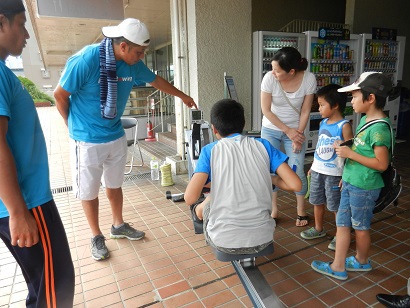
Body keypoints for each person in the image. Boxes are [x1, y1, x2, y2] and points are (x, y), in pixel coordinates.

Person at [53, 18, 197, 261]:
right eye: (139, 52)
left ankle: (118, 225)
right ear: (123, 47)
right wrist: (72, 126)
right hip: (86, 139)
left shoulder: (132, 64)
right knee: (89, 191)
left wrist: (183, 96)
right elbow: (59, 95)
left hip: (114, 134)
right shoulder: (87, 59)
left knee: (114, 184)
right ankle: (96, 235)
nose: (141, 57)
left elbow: (156, 80)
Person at [0, 0, 74, 306]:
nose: (26, 34)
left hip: (24, 201)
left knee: (44, 287)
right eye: (20, 23)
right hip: (26, 203)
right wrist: (18, 212)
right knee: (56, 287)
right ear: (1, 22)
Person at [184, 99, 302, 254]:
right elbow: (296, 185)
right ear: (243, 124)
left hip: (223, 241)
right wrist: (271, 178)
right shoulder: (264, 145)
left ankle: (201, 209)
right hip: (264, 239)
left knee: (205, 201)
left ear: (214, 129)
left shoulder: (209, 151)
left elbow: (189, 198)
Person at [311, 72, 393, 280]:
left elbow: (381, 164)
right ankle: (338, 266)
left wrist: (349, 153)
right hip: (350, 181)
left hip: (364, 187)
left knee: (361, 227)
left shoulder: (379, 130)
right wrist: (346, 159)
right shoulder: (366, 119)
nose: (351, 101)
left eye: (355, 96)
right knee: (342, 223)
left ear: (371, 98)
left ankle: (361, 261)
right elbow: (361, 150)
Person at [260, 46, 316, 226]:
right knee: (271, 170)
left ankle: (301, 210)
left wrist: (297, 134)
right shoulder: (269, 79)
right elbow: (266, 110)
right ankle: (274, 209)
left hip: (296, 131)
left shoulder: (308, 78)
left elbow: (306, 110)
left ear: (291, 71)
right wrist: (288, 130)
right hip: (271, 128)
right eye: (272, 68)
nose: (273, 73)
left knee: (297, 169)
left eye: (277, 70)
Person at [300, 84, 353, 250]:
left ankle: (341, 234)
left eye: (322, 105)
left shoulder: (344, 126)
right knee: (317, 201)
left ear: (335, 105)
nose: (319, 108)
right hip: (318, 171)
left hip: (335, 174)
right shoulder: (323, 122)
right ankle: (318, 228)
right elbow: (319, 146)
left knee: (336, 205)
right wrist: (313, 166)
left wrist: (346, 175)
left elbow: (350, 151)